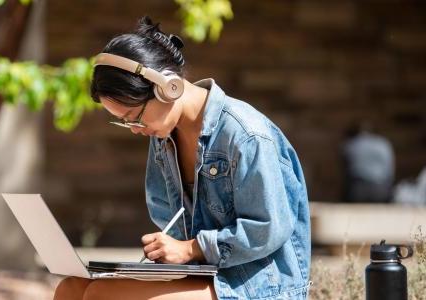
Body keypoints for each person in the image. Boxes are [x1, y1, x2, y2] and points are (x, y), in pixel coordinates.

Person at [54, 17, 311, 300]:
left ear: (169, 87)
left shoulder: (246, 134)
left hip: (258, 283)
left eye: (134, 117)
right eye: (123, 123)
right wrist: (167, 252)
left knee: (101, 296)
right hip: (204, 272)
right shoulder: (163, 134)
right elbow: (167, 217)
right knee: (72, 289)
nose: (136, 130)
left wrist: (190, 249)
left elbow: (268, 229)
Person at [341, 123, 395, 203]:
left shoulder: (351, 145)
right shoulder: (383, 144)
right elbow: (390, 170)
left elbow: (346, 169)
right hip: (381, 190)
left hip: (358, 191)